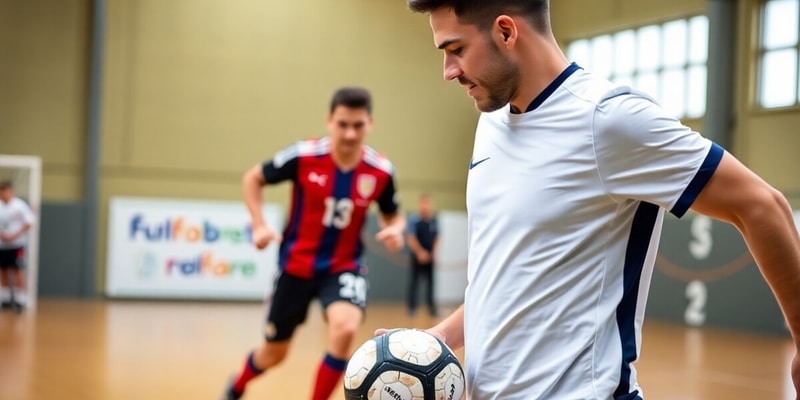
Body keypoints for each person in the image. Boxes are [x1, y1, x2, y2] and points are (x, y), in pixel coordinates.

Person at [394, 1, 800, 399]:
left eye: (456, 50)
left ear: (505, 31)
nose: (449, 71)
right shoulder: (492, 124)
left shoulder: (606, 118)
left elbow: (763, 205)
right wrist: (440, 337)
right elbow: (505, 276)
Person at [222, 87, 406, 400]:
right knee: (274, 354)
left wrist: (396, 229)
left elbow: (393, 215)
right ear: (329, 121)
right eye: (342, 124)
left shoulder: (380, 171)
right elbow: (252, 178)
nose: (349, 133)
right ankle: (238, 384)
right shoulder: (303, 156)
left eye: (358, 125)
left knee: (345, 328)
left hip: (343, 265)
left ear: (370, 124)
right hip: (295, 266)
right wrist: (259, 225)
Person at [0, 181, 35, 313]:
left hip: (17, 245)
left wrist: (14, 235)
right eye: (2, 191)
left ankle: (20, 301)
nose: (5, 194)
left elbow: (29, 222)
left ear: (11, 192)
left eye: (7, 191)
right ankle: (6, 299)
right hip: (2, 245)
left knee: (17, 271)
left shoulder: (19, 206)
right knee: (3, 271)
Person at [405, 192, 440, 317]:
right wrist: (420, 252)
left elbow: (438, 238)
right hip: (417, 257)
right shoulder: (414, 220)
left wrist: (434, 253)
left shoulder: (434, 220)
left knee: (431, 283)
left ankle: (432, 308)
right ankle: (412, 308)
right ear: (420, 204)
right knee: (414, 282)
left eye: (428, 203)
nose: (426, 206)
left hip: (430, 257)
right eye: (424, 203)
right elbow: (410, 237)